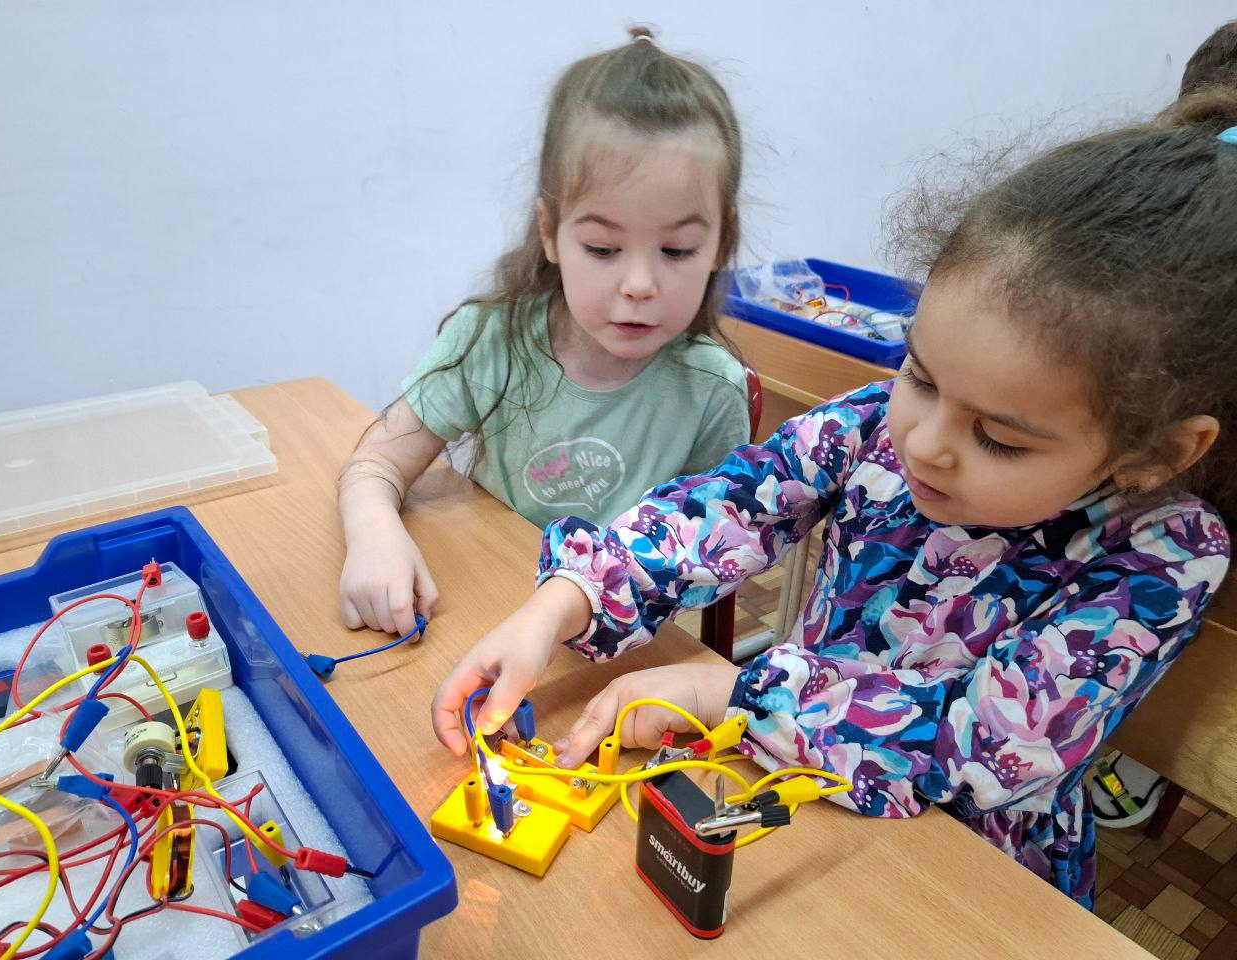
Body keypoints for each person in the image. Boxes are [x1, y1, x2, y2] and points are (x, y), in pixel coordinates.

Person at [432, 90, 1237, 906]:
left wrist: (733, 695)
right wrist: (564, 602)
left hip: (963, 882)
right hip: (783, 799)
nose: (924, 442)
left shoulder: (1164, 554)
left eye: (999, 436)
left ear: (1156, 453)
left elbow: (985, 743)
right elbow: (727, 507)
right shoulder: (874, 424)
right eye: (919, 374)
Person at [337, 30, 750, 637]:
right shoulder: (493, 339)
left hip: (617, 643)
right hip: (487, 610)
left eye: (677, 249)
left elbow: (709, 557)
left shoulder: (713, 390)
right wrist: (374, 537)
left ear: (720, 244)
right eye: (603, 248)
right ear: (550, 232)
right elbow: (375, 462)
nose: (639, 284)